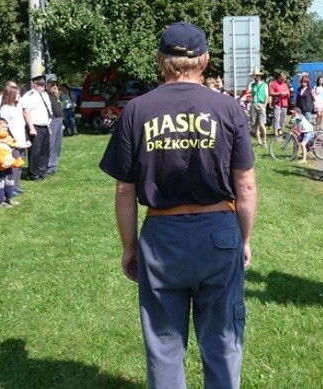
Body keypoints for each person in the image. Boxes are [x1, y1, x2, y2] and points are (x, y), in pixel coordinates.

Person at [99, 22, 257, 388]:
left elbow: (125, 190)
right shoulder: (229, 108)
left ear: (159, 61)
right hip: (218, 231)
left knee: (164, 345)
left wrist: (129, 247)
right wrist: (243, 239)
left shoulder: (137, 111)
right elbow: (245, 184)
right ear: (204, 61)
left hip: (161, 234)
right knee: (222, 341)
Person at [0, 86, 28, 195]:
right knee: (13, 164)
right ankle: (11, 187)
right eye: (17, 94)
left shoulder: (16, 107)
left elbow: (21, 124)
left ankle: (17, 185)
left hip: (20, 140)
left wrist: (26, 138)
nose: (19, 95)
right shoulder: (5, 108)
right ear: (11, 95)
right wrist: (11, 141)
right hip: (12, 142)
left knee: (19, 163)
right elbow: (4, 126)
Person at [21, 74, 52, 181]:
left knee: (45, 150)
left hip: (44, 126)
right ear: (34, 85)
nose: (43, 86)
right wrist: (31, 128)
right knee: (35, 151)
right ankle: (34, 173)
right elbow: (26, 112)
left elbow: (46, 112)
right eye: (40, 84)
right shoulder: (29, 96)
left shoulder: (44, 95)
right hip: (35, 126)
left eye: (44, 84)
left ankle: (42, 171)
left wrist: (48, 126)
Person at [46, 77, 64, 175]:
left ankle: (53, 165)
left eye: (55, 85)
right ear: (47, 86)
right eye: (52, 85)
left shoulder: (55, 95)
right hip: (52, 120)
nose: (55, 86)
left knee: (57, 144)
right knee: (51, 143)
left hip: (59, 120)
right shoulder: (46, 95)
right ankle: (49, 166)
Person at [248, 68, 268, 147]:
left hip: (261, 104)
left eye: (256, 76)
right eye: (254, 76)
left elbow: (266, 96)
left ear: (259, 76)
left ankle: (265, 141)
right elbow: (248, 91)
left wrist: (265, 106)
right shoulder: (253, 85)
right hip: (254, 104)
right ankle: (259, 142)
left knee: (262, 124)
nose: (255, 77)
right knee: (255, 125)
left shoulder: (264, 85)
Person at [269, 72, 290, 137]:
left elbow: (288, 94)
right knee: (276, 119)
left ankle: (280, 133)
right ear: (279, 77)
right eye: (282, 79)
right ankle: (276, 134)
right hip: (277, 104)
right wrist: (279, 93)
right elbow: (270, 93)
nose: (283, 80)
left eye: (284, 79)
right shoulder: (273, 84)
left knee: (282, 120)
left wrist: (287, 94)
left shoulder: (285, 85)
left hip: (284, 104)